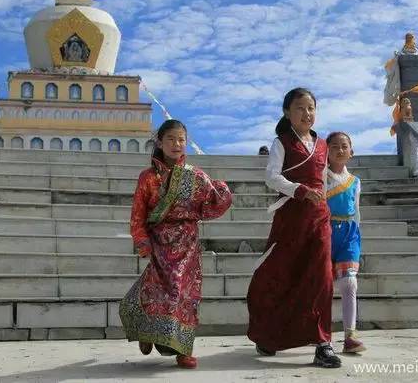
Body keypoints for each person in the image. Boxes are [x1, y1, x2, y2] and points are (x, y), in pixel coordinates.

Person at [119, 119, 233, 369]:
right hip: (160, 242)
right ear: (160, 142)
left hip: (188, 244)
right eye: (171, 139)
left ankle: (184, 350)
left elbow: (213, 203)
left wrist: (223, 190)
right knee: (159, 292)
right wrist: (142, 241)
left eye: (181, 139)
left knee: (187, 296)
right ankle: (146, 330)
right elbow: (138, 214)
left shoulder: (196, 176)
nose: (177, 144)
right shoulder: (147, 178)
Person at [246, 88, 341, 368]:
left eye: (311, 108)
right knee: (281, 276)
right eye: (300, 108)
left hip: (319, 219)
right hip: (290, 218)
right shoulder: (282, 142)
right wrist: (299, 190)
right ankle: (269, 333)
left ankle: (323, 343)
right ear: (288, 112)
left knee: (322, 278)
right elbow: (271, 177)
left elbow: (324, 180)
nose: (307, 113)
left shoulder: (322, 144)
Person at [325, 132, 365, 353]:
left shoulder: (355, 182)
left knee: (349, 283)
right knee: (323, 286)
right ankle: (322, 334)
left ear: (351, 151)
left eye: (344, 146)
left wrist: (357, 233)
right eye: (334, 147)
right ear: (327, 152)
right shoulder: (321, 177)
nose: (340, 150)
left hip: (349, 234)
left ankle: (350, 335)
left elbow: (357, 211)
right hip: (325, 232)